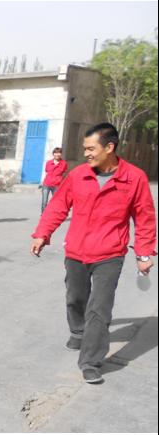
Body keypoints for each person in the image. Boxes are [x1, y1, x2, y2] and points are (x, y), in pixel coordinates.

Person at [30, 122, 156, 384]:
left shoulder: (134, 178)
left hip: (110, 254)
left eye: (90, 148)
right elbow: (58, 206)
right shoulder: (78, 175)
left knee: (99, 308)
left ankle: (91, 361)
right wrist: (42, 234)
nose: (86, 153)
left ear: (109, 147)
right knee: (75, 298)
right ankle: (78, 331)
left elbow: (144, 218)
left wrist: (144, 253)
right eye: (85, 148)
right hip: (76, 250)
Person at [41, 147, 68, 214]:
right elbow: (47, 170)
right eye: (55, 153)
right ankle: (43, 215)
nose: (57, 154)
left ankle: (54, 215)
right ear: (53, 154)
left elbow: (64, 173)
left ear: (61, 154)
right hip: (47, 184)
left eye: (59, 153)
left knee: (56, 201)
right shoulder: (48, 162)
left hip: (56, 185)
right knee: (44, 201)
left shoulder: (64, 163)